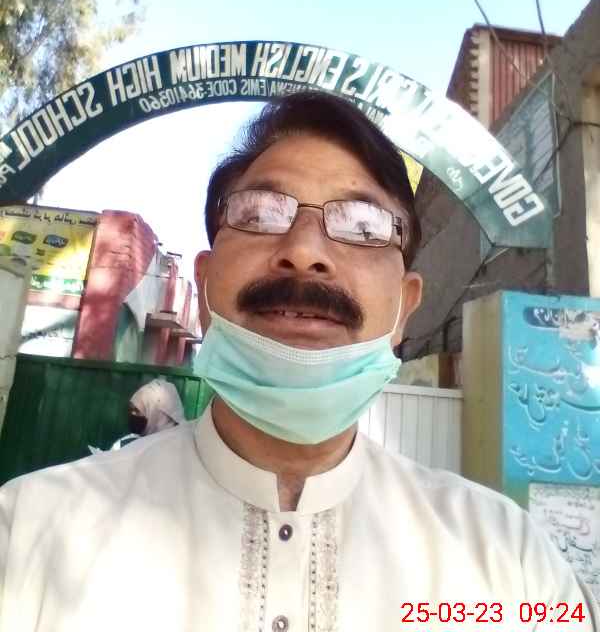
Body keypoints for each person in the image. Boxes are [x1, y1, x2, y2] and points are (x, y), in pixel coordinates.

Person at [0, 91, 597, 631]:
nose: (305, 252)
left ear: (404, 309)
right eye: (261, 214)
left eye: (362, 225)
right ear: (203, 290)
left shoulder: (514, 565)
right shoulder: (28, 536)